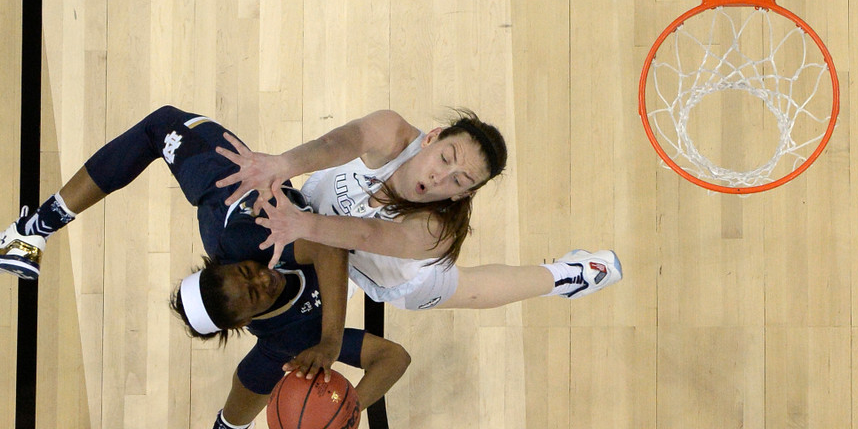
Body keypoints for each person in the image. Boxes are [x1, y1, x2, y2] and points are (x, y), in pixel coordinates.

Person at [0, 106, 411, 429]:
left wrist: (331, 340)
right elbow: (394, 358)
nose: (264, 280)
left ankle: (31, 232)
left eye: (248, 274)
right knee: (279, 356)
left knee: (161, 125)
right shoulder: (289, 338)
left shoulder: (242, 235)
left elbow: (327, 248)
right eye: (255, 295)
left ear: (225, 262)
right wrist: (345, 413)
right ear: (244, 323)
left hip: (244, 196)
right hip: (364, 235)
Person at [213, 108, 622, 312]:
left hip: (380, 270)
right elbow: (338, 141)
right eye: (446, 158)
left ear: (464, 195)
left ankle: (567, 276)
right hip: (314, 221)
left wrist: (301, 223)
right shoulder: (392, 132)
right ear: (433, 137)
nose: (443, 179)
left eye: (460, 181)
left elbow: (366, 236)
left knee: (473, 291)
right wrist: (283, 164)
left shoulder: (435, 231)